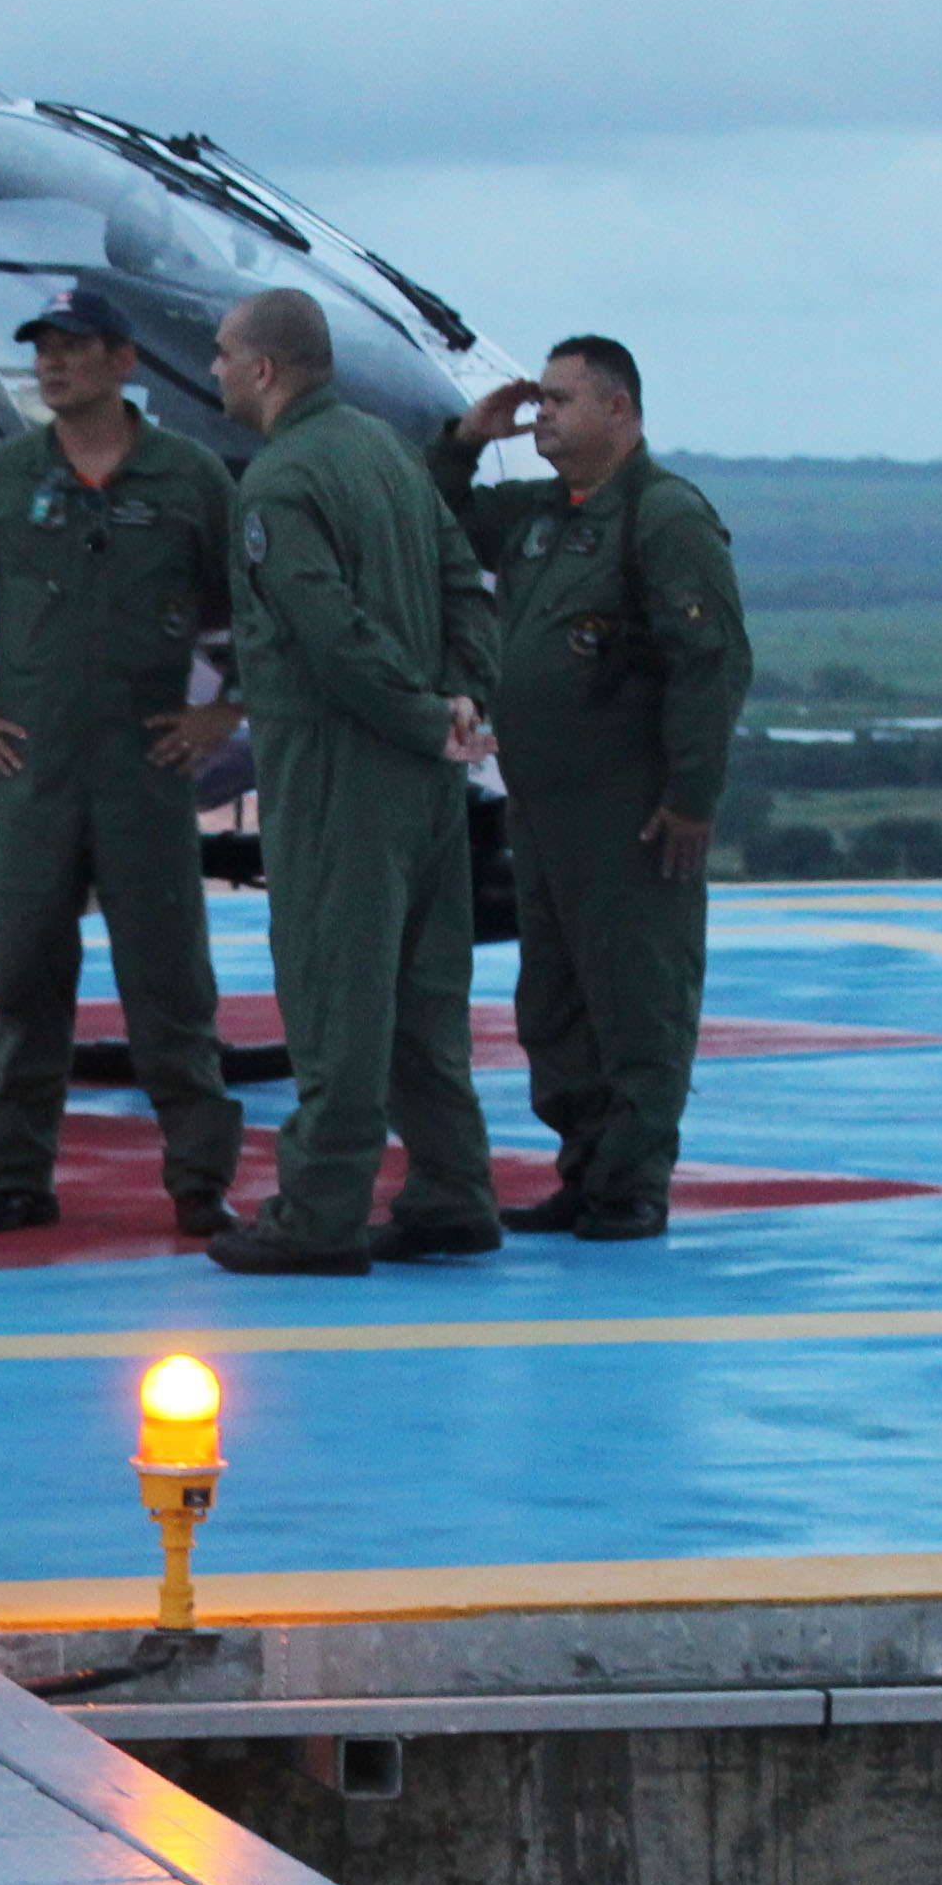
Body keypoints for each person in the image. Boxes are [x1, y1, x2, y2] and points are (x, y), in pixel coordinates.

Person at [0, 281, 247, 1239]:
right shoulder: (1, 478)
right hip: (32, 777)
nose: (52, 363)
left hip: (146, 775)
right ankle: (16, 1178)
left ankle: (200, 1183)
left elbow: (260, 605)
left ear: (123, 362)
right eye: (43, 347)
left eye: (74, 347)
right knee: (21, 979)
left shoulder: (189, 479)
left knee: (172, 986)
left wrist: (227, 714)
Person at [203, 284, 501, 1279]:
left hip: (340, 775)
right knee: (426, 1003)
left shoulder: (281, 484)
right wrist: (457, 702)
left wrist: (419, 714)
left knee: (338, 1001)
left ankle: (319, 1212)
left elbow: (327, 634)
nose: (213, 373)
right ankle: (455, 1195)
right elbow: (464, 581)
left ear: (264, 369)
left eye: (222, 355)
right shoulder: (385, 454)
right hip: (427, 783)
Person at [437, 336, 754, 1240]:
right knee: (556, 1001)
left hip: (632, 811)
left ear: (619, 408)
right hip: (543, 807)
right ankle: (585, 1171)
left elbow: (711, 663)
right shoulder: (542, 513)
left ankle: (632, 1184)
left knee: (636, 997)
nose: (543, 414)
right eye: (539, 399)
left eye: (562, 399)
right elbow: (428, 519)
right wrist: (464, 441)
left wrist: (692, 796)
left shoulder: (663, 516)